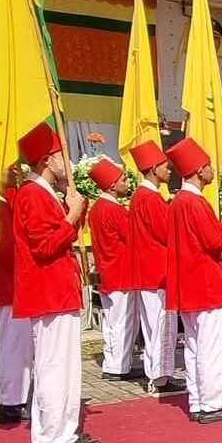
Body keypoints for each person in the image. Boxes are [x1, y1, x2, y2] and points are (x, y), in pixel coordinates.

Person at [13, 123, 98, 443]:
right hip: (48, 291)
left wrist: (74, 208)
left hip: (58, 289)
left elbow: (63, 235)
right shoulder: (32, 194)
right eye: (61, 155)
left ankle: (57, 428)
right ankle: (54, 433)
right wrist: (71, 215)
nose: (68, 161)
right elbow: (45, 246)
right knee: (54, 364)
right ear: (47, 160)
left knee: (62, 363)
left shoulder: (44, 192)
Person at [164, 138, 222, 423]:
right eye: (209, 165)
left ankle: (199, 400)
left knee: (195, 347)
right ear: (199, 170)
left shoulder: (178, 202)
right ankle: (212, 403)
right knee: (215, 347)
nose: (212, 170)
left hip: (188, 286)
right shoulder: (195, 203)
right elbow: (216, 241)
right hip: (205, 286)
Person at [126, 141, 183, 396]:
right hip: (158, 271)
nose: (169, 170)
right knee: (162, 326)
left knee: (152, 327)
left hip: (147, 271)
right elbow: (166, 232)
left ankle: (155, 374)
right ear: (152, 169)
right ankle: (160, 377)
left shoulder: (140, 197)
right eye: (164, 166)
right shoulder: (150, 199)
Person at [0, 166, 32, 424]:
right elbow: (3, 248)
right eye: (7, 168)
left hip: (4, 284)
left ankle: (9, 397)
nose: (14, 171)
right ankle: (12, 401)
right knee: (12, 346)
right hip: (6, 284)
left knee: (4, 345)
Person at [87, 158, 140, 382]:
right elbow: (133, 236)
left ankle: (113, 362)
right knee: (124, 322)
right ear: (111, 185)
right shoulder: (113, 210)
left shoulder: (96, 209)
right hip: (121, 272)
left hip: (107, 271)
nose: (126, 183)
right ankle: (119, 366)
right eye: (123, 180)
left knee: (111, 322)